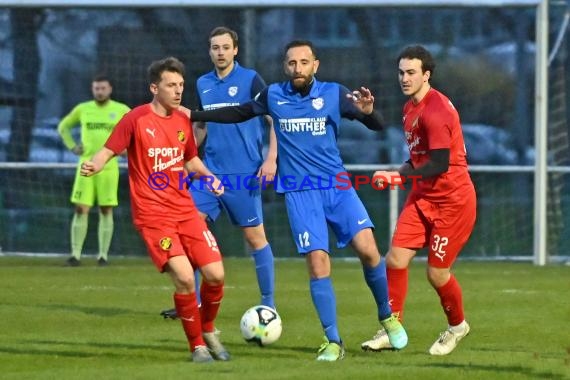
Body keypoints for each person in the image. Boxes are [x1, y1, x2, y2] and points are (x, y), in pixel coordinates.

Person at [190, 40, 407, 362]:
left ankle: (387, 315)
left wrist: (369, 113)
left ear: (315, 65)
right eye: (292, 63)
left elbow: (376, 126)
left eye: (304, 62)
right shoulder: (273, 95)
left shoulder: (334, 93)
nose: (298, 69)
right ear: (285, 66)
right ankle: (333, 340)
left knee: (369, 251)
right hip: (299, 192)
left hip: (337, 187)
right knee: (318, 263)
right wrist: (192, 114)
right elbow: (239, 112)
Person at [80, 56, 230, 363]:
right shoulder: (135, 119)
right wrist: (95, 163)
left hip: (185, 211)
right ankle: (197, 347)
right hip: (153, 217)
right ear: (154, 87)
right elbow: (109, 150)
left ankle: (209, 329)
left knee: (215, 274)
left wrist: (209, 177)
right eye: (171, 85)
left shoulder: (182, 121)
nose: (177, 92)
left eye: (181, 86)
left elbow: (189, 160)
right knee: (186, 277)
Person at [361, 45, 476, 356]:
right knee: (395, 260)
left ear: (427, 75)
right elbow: (418, 159)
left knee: (436, 273)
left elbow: (439, 163)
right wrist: (395, 172)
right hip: (423, 196)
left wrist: (400, 178)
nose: (404, 78)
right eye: (401, 72)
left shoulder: (436, 111)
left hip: (452, 201)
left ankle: (456, 327)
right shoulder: (409, 107)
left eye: (411, 72)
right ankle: (391, 328)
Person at [160, 26, 277, 320]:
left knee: (255, 239)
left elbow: (273, 118)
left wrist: (271, 159)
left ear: (235, 50)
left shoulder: (251, 80)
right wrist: (184, 157)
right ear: (209, 51)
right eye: (215, 47)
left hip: (244, 175)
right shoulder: (202, 84)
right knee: (190, 231)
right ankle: (193, 301)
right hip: (210, 174)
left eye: (226, 47)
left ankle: (269, 303)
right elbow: (199, 126)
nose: (220, 52)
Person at [57, 75, 130, 266]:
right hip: (86, 165)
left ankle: (103, 256)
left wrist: (127, 148)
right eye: (96, 88)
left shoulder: (121, 110)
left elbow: (138, 129)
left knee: (106, 209)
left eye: (103, 88)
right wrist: (72, 146)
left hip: (109, 167)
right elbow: (63, 127)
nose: (99, 92)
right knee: (81, 209)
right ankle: (75, 255)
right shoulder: (83, 109)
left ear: (110, 89)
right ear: (92, 89)